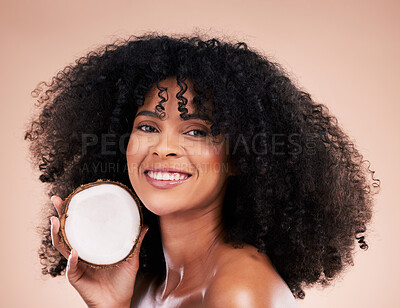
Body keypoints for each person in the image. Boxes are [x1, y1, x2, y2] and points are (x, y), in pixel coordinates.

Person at [25, 34, 380, 307]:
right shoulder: (148, 283)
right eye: (148, 127)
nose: (163, 148)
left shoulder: (238, 293)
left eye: (197, 132)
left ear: (240, 157)